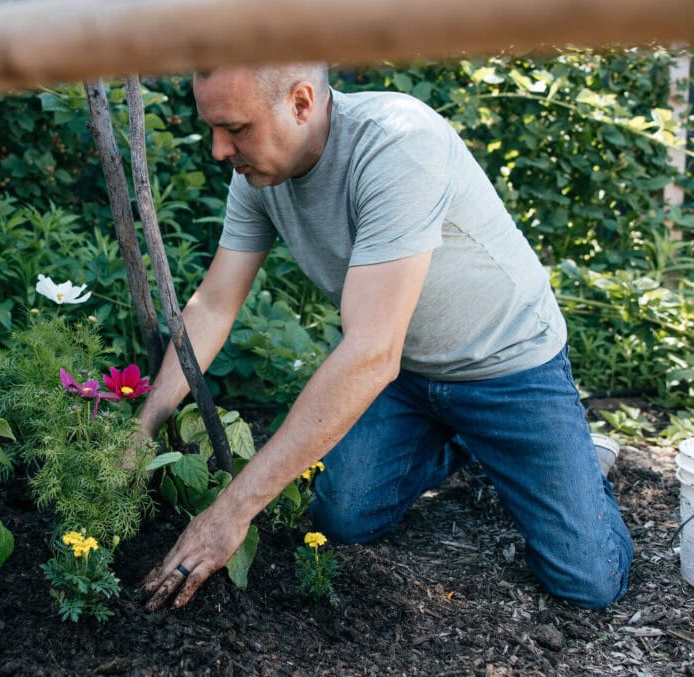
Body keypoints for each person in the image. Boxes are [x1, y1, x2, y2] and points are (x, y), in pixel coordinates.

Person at [138, 63, 633, 612]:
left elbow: (371, 352)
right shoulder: (259, 176)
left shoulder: (398, 144)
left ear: (301, 103)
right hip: (407, 374)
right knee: (341, 517)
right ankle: (469, 441)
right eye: (213, 129)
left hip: (507, 367)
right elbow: (213, 304)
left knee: (587, 581)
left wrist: (231, 510)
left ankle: (561, 455)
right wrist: (142, 429)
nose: (218, 150)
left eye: (235, 129)